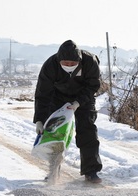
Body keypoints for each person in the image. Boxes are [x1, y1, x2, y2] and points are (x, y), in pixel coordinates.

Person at [33, 40, 103, 183]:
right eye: (65, 63)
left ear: (79, 60)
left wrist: (78, 103)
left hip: (83, 98)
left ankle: (91, 171)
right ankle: (53, 172)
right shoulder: (50, 65)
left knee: (87, 130)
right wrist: (40, 120)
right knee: (55, 134)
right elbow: (42, 94)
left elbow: (93, 86)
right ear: (59, 60)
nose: (69, 66)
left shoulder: (90, 62)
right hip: (57, 98)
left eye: (72, 64)